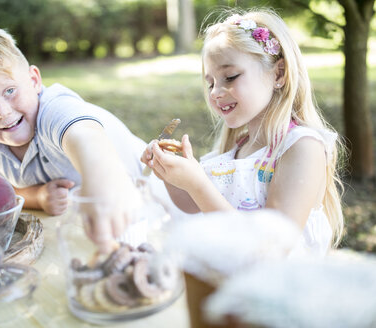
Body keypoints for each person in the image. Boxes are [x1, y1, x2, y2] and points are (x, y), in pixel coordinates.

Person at [141, 9, 344, 257]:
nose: (215, 92)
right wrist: (171, 174)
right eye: (211, 82)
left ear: (278, 73)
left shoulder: (301, 147)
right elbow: (195, 204)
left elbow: (271, 249)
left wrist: (198, 183)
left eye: (230, 77)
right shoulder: (239, 148)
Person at [0, 19, 156, 252]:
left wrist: (104, 188)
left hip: (153, 199)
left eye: (10, 91)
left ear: (34, 81)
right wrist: (37, 197)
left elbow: (87, 139)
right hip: (84, 227)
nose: (3, 113)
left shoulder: (55, 109)